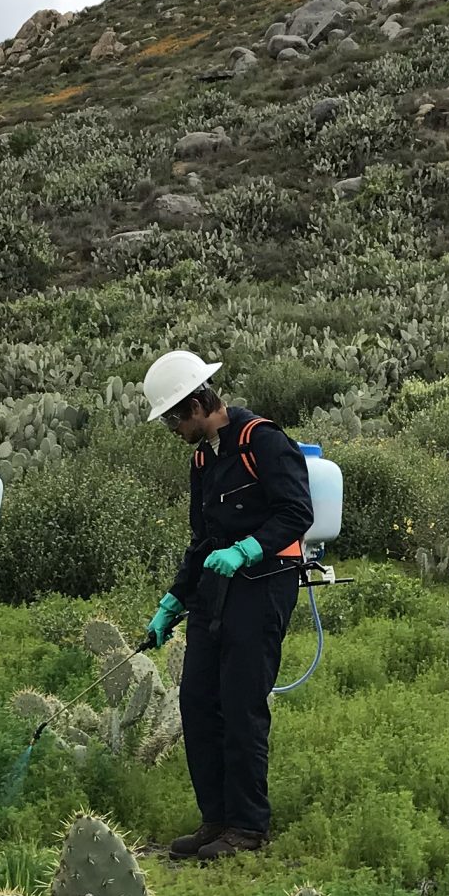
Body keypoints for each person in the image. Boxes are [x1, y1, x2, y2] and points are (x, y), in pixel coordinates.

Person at [140, 350, 313, 862]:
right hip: (215, 594)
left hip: (264, 586)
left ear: (198, 404)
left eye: (174, 416)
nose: (172, 427)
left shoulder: (263, 440)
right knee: (197, 702)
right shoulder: (202, 459)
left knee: (241, 707)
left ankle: (248, 827)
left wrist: (248, 548)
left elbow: (296, 512)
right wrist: (174, 599)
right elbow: (202, 539)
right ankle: (215, 819)